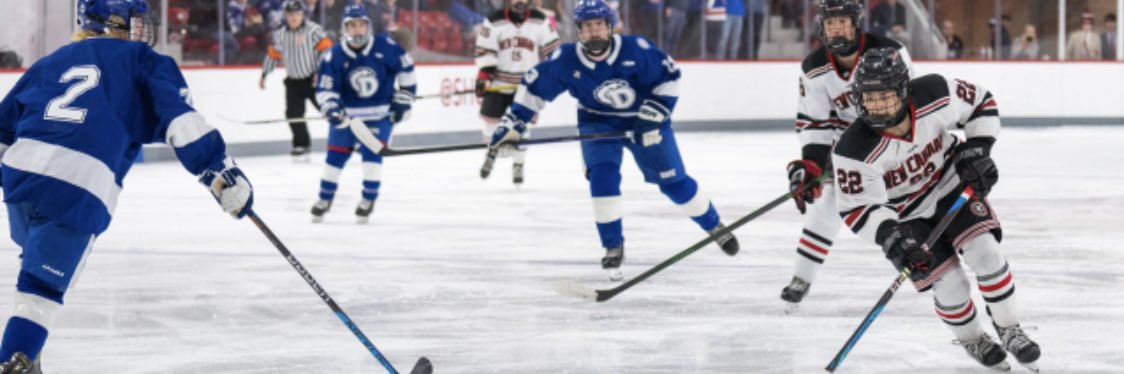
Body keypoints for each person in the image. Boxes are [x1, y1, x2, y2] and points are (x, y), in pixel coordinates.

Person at [0, 0, 253, 371]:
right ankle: (15, 357)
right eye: (128, 24)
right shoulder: (143, 60)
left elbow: (5, 126)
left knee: (38, 261)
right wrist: (221, 173)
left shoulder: (53, 60)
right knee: (42, 290)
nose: (138, 32)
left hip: (20, 175)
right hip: (78, 184)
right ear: (105, 25)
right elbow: (181, 120)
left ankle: (29, 353)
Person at [488, 0, 740, 281]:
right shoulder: (565, 59)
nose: (594, 32)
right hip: (597, 121)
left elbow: (670, 78)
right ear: (579, 31)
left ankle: (714, 226)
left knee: (673, 183)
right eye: (587, 27)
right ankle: (612, 246)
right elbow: (534, 89)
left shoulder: (636, 49)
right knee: (603, 176)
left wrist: (653, 116)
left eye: (599, 25)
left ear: (609, 26)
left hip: (644, 121)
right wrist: (514, 124)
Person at [832, 47, 1041, 371]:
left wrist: (977, 149)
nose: (876, 106)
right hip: (906, 216)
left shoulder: (934, 92)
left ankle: (1009, 328)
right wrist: (891, 238)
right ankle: (973, 338)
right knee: (950, 284)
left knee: (986, 252)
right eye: (868, 98)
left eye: (884, 96)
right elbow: (857, 209)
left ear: (903, 88)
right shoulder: (852, 149)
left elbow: (981, 103)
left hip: (951, 186)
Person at [780, 0, 914, 311]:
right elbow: (815, 122)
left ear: (856, 23)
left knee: (916, 204)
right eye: (830, 22)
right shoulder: (814, 67)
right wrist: (812, 166)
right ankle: (802, 278)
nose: (837, 28)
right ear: (821, 27)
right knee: (827, 204)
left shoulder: (890, 51)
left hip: (894, 141)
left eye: (843, 21)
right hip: (850, 148)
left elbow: (911, 97)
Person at [309, 3, 416, 224]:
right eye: (351, 25)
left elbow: (407, 74)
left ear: (368, 26)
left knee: (371, 158)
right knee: (334, 159)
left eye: (361, 25)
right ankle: (324, 198)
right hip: (347, 118)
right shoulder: (333, 55)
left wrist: (402, 102)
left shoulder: (386, 46)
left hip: (379, 116)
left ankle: (368, 199)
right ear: (344, 28)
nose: (357, 30)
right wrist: (331, 108)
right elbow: (326, 89)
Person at [474, 0, 560, 186]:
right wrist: (484, 75)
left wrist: (548, 73)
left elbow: (553, 50)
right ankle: (491, 152)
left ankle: (519, 163)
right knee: (490, 123)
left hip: (526, 85)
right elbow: (485, 49)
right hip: (499, 82)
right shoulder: (494, 21)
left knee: (523, 126)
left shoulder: (540, 21)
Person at [260, 0, 333, 161]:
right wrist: (264, 74)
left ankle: (349, 139)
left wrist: (321, 71)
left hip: (314, 80)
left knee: (330, 109)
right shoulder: (280, 35)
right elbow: (273, 56)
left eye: (297, 14)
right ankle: (301, 144)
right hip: (293, 81)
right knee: (293, 114)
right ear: (286, 16)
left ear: (302, 15)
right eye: (291, 14)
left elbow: (326, 50)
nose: (294, 18)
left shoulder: (314, 30)